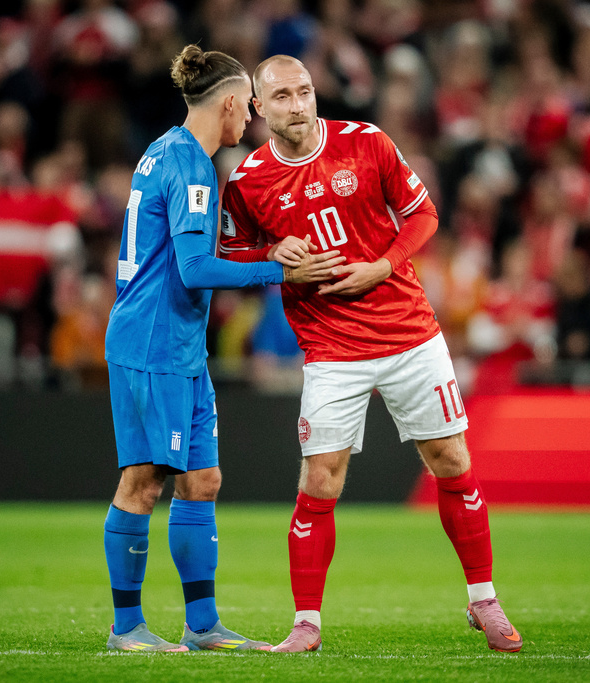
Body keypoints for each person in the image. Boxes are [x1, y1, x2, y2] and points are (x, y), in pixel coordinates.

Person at [220, 55, 523, 654]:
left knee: (452, 461)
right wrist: (275, 256)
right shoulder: (248, 181)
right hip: (331, 347)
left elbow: (423, 214)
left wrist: (382, 267)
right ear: (258, 107)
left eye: (304, 91)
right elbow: (230, 257)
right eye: (281, 96)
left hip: (408, 332)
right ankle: (306, 623)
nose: (298, 104)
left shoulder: (367, 143)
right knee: (320, 480)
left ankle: (484, 600)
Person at [102, 45, 345, 653]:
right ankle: (127, 626)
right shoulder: (191, 165)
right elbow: (192, 268)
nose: (253, 124)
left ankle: (202, 625)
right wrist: (277, 272)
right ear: (234, 103)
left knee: (203, 478)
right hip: (153, 341)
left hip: (178, 343)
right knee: (142, 481)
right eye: (250, 112)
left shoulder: (165, 150)